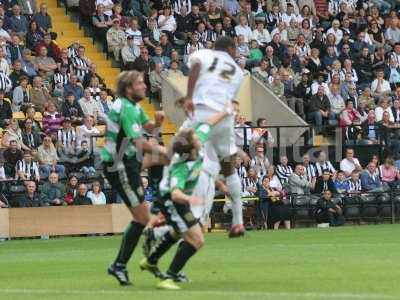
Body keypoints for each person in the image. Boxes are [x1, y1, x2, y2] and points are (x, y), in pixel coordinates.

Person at [140, 109, 230, 290]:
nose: (199, 139)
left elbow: (207, 124)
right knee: (197, 240)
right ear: (190, 147)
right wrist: (192, 199)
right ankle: (169, 277)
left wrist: (226, 111)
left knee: (179, 232)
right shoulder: (182, 165)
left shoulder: (197, 147)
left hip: (179, 200)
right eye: (196, 139)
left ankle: (151, 260)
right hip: (171, 200)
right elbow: (175, 194)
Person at [102, 71, 168, 286]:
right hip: (118, 164)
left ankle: (120, 265)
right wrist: (165, 151)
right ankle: (121, 264)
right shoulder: (126, 109)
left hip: (128, 160)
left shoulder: (134, 106)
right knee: (143, 218)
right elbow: (141, 143)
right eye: (140, 83)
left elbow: (151, 130)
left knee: (160, 159)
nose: (144, 86)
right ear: (129, 88)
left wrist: (158, 123)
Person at [178, 36, 245, 237]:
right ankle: (238, 222)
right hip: (223, 117)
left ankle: (195, 218)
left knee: (191, 160)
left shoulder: (205, 54)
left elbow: (196, 66)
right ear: (231, 48)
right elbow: (231, 100)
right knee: (229, 168)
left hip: (201, 113)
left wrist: (189, 96)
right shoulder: (238, 72)